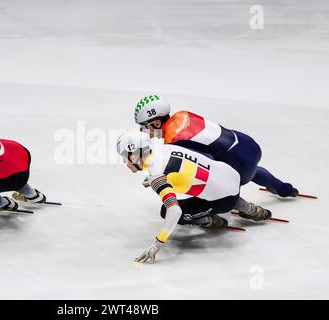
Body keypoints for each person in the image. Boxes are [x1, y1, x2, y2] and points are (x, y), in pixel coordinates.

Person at [117, 131, 271, 264]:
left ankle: (211, 220)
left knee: (166, 211)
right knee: (212, 188)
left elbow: (174, 211)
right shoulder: (164, 149)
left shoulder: (157, 176)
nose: (124, 161)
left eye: (124, 157)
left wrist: (158, 242)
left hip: (225, 199)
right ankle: (250, 209)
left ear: (135, 155)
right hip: (229, 174)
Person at [134, 95, 298, 197]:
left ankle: (246, 209)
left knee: (204, 180)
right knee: (249, 168)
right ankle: (283, 188)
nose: (143, 131)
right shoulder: (182, 114)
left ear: (156, 122)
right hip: (247, 145)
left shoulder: (173, 140)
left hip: (240, 166)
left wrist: (162, 176)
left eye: (143, 126)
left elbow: (207, 167)